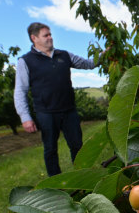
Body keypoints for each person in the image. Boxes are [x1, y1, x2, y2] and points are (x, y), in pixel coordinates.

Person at [14, 22, 96, 176]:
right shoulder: (25, 61)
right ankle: (56, 185)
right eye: (46, 35)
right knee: (50, 149)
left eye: (50, 34)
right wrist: (25, 117)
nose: (50, 38)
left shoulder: (64, 55)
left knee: (78, 146)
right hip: (46, 113)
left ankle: (83, 176)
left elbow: (88, 64)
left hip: (69, 110)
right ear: (34, 38)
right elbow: (20, 90)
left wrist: (103, 55)